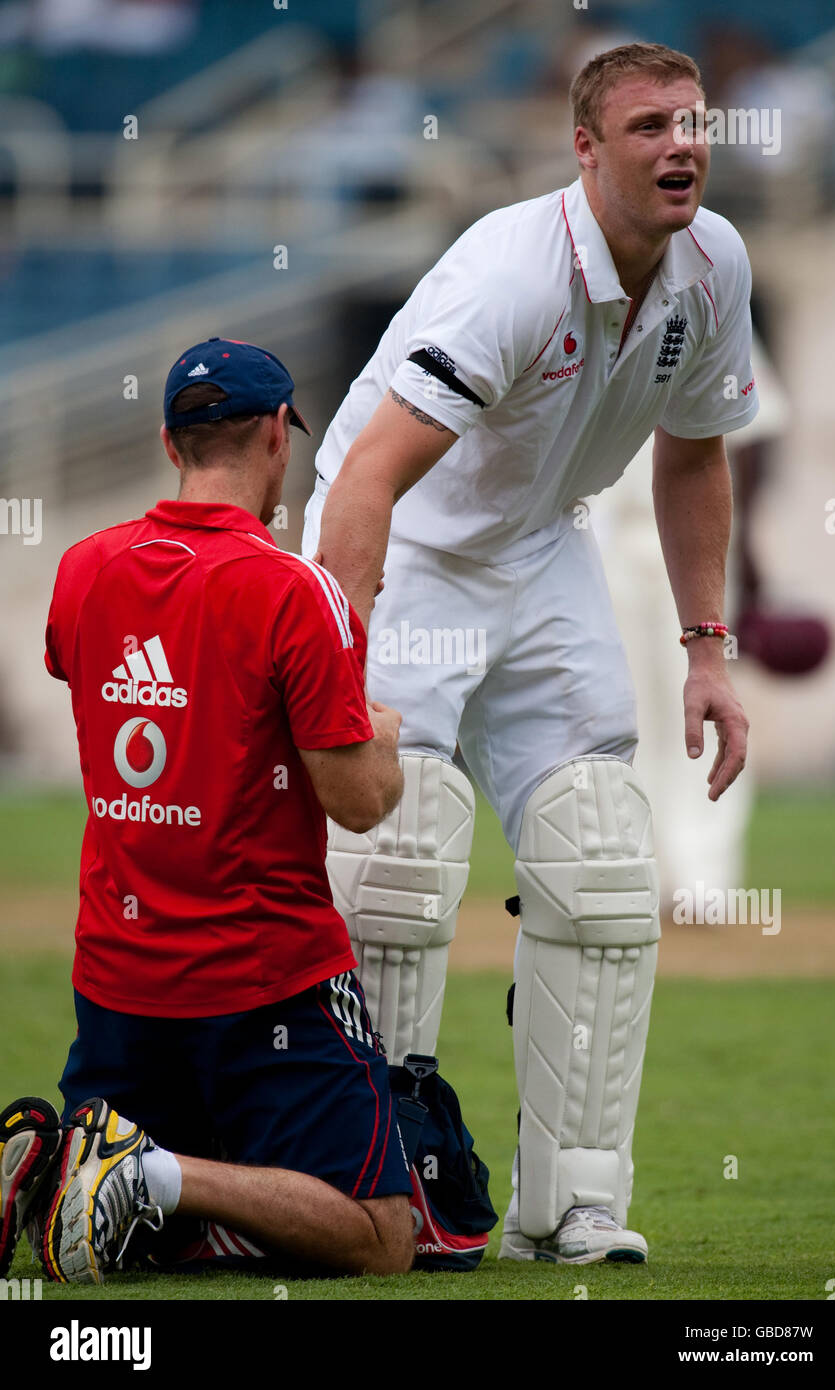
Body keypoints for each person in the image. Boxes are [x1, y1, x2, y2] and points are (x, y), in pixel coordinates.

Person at [302, 42, 757, 1265]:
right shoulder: (510, 276)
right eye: (650, 124)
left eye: (691, 121)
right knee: (399, 858)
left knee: (604, 864)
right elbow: (366, 477)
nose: (681, 144)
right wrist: (340, 656)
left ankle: (569, 1211)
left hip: (539, 551)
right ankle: (376, 1184)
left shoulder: (713, 265)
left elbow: (693, 449)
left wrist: (705, 652)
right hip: (408, 548)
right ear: (585, 149)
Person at [0, 338, 414, 1285]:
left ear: (169, 442)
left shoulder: (81, 570)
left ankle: (63, 1168)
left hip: (117, 980)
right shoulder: (291, 589)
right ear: (278, 435)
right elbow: (356, 803)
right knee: (381, 1235)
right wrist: (383, 738)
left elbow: (101, 677)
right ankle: (146, 1169)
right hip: (260, 976)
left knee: (150, 1245)